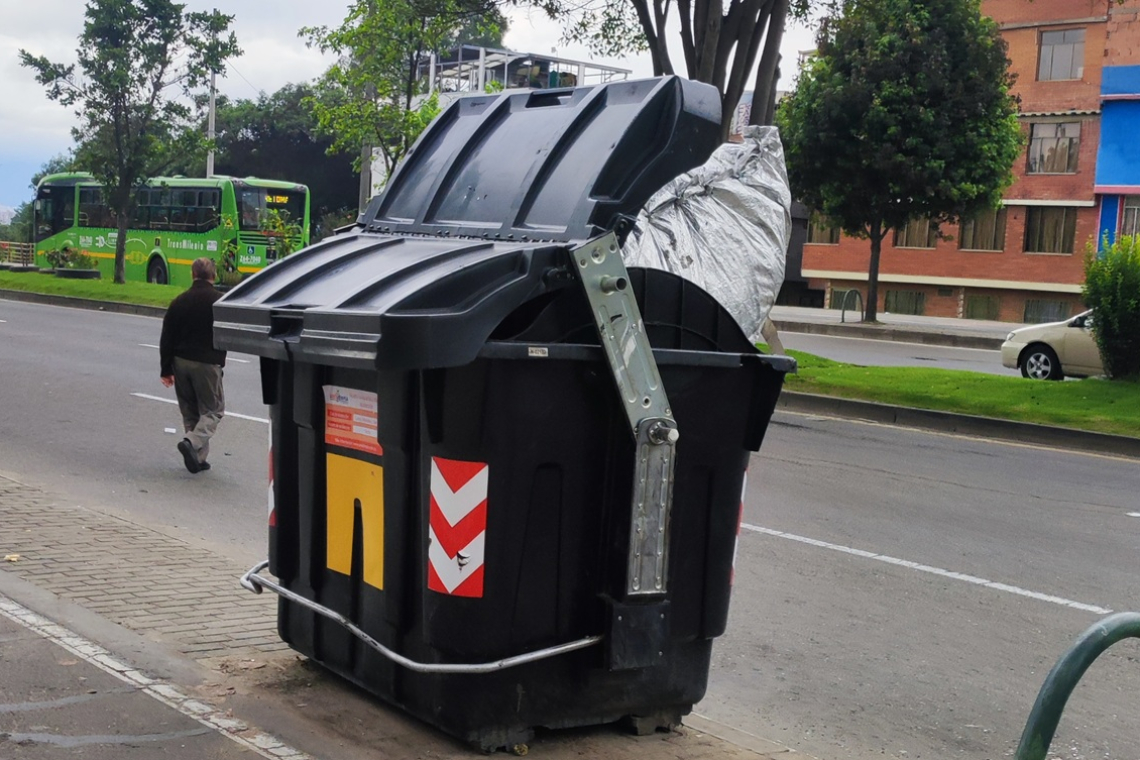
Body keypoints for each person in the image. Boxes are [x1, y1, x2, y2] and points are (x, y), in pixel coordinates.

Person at [159, 257, 226, 474]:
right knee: (213, 410)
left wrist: (166, 369)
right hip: (207, 363)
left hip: (180, 362)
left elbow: (167, 336)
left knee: (190, 411)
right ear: (213, 276)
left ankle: (197, 458)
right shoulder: (219, 302)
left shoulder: (179, 301)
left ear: (192, 274)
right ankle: (191, 442)